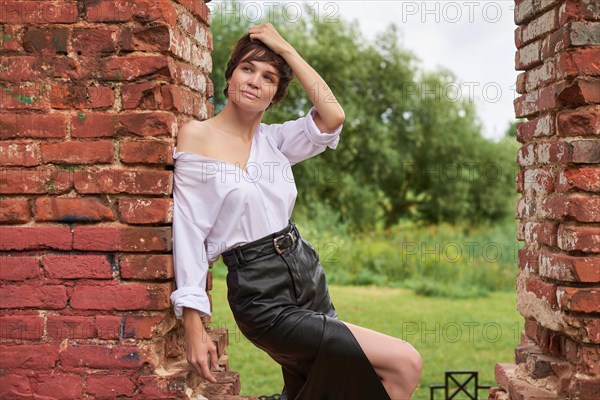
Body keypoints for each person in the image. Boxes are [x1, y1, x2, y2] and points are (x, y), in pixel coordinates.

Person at [170, 23, 422, 400]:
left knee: (330, 388)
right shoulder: (197, 136)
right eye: (247, 68)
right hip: (259, 292)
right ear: (230, 74)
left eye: (269, 77)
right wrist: (193, 324)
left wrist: (287, 50)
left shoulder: (276, 141)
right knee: (403, 363)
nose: (255, 81)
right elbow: (188, 231)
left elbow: (333, 116)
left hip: (306, 274)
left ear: (275, 94)